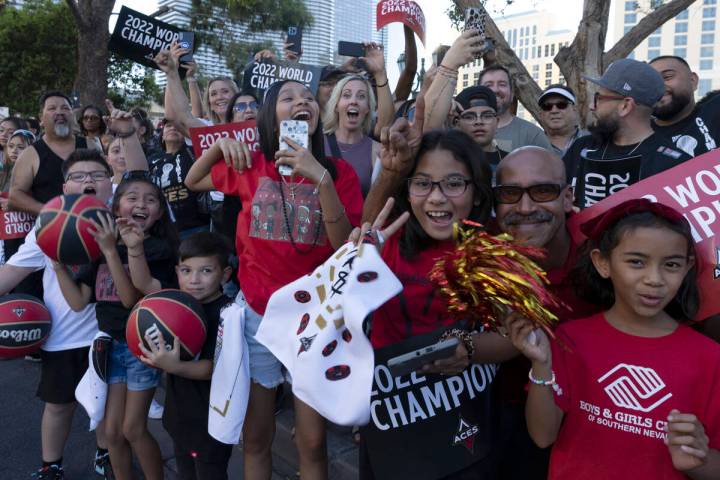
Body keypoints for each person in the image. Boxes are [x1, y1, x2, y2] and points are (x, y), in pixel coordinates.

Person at [185, 79, 362, 479]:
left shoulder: (339, 172)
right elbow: (193, 181)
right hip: (257, 319)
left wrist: (322, 181)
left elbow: (341, 247)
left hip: (313, 322)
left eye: (307, 98)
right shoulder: (252, 165)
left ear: (318, 115)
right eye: (287, 98)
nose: (301, 102)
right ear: (270, 117)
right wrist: (218, 146)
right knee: (257, 435)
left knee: (313, 443)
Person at [508, 198, 720, 479]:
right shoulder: (571, 338)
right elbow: (543, 436)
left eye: (670, 265)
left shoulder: (709, 357)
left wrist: (699, 461)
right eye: (636, 262)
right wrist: (541, 365)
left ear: (687, 267)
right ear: (602, 262)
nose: (654, 279)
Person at [355, 125, 516, 478]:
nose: (437, 198)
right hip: (389, 414)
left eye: (454, 183)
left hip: (461, 418)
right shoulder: (388, 238)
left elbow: (515, 338)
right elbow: (366, 227)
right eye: (422, 183)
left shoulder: (492, 249)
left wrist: (469, 349)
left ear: (476, 192)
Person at [0, 150, 117, 480]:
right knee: (58, 405)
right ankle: (51, 465)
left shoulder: (124, 216)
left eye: (97, 175)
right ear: (65, 187)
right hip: (63, 337)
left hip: (108, 336)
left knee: (107, 407)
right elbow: (11, 272)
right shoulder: (46, 226)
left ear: (111, 183)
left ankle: (106, 454)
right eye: (79, 177)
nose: (89, 181)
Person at [54, 174, 177, 480]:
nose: (141, 204)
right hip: (110, 345)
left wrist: (112, 252)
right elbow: (79, 301)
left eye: (151, 199)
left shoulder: (159, 249)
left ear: (160, 213)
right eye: (132, 197)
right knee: (111, 433)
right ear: (116, 206)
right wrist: (57, 266)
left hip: (141, 347)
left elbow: (127, 299)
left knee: (133, 429)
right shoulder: (99, 247)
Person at [492, 147, 600, 479]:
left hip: (595, 419)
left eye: (543, 191)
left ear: (568, 198)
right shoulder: (482, 254)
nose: (525, 208)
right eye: (510, 194)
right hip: (508, 420)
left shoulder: (603, 251)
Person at [139, 232, 234, 480]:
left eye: (205, 271)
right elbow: (144, 283)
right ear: (177, 272)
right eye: (186, 270)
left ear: (225, 275)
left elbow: (211, 369)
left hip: (210, 424)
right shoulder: (177, 304)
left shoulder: (227, 313)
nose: (194, 280)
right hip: (180, 418)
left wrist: (172, 365)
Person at [563, 58, 690, 209]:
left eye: (599, 99)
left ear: (625, 106)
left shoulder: (675, 166)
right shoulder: (582, 147)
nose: (591, 106)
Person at [9, 91, 87, 216]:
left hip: (92, 225)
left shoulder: (90, 145)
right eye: (52, 108)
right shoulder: (30, 154)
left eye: (65, 108)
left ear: (72, 114)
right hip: (48, 230)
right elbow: (15, 196)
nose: (60, 112)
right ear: (41, 117)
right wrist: (52, 213)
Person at [148, 120, 210, 238]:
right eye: (168, 126)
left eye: (178, 126)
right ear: (162, 136)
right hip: (165, 231)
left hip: (197, 226)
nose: (173, 128)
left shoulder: (193, 152)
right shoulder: (151, 160)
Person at [323, 74, 380, 197]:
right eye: (347, 95)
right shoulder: (316, 143)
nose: (353, 101)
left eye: (361, 96)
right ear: (336, 105)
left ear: (368, 108)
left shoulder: (378, 151)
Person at [650, 55, 720, 157]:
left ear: (693, 80)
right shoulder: (634, 137)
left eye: (667, 77)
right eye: (650, 83)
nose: (658, 86)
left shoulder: (715, 111)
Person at [479, 65, 553, 152]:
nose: (495, 90)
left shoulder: (533, 135)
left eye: (502, 84)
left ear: (512, 93)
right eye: (488, 85)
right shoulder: (464, 131)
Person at [455, 85, 507, 170]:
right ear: (457, 125)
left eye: (487, 116)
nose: (479, 122)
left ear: (497, 122)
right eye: (469, 117)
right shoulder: (448, 161)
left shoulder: (511, 162)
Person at [538, 84, 587, 156]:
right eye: (547, 106)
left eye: (561, 105)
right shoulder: (531, 145)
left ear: (575, 110)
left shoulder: (596, 142)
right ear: (541, 114)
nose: (554, 111)